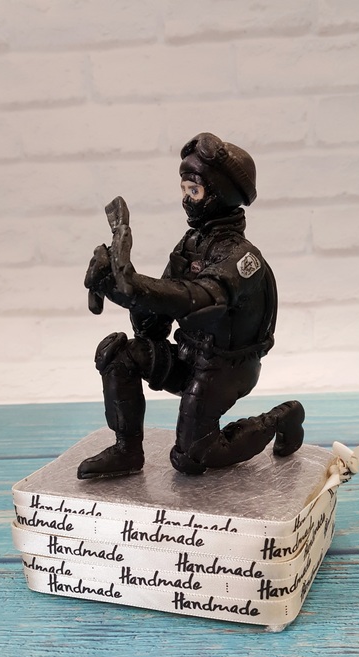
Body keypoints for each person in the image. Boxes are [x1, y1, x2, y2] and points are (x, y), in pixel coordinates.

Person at [77, 132, 305, 479]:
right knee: (117, 354)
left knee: (191, 456)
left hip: (225, 369)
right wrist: (117, 287)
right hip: (188, 358)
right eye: (184, 189)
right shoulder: (190, 245)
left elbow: (198, 301)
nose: (186, 199)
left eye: (194, 191)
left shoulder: (243, 258)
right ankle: (127, 450)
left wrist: (134, 287)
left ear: (220, 194)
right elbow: (154, 324)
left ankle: (280, 419)